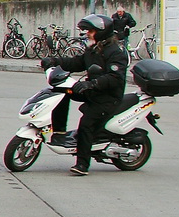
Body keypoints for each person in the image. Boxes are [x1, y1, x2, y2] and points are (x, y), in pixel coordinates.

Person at [41, 13, 128, 176]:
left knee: (86, 124)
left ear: (101, 31)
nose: (86, 33)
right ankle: (59, 132)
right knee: (62, 92)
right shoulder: (94, 48)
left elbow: (116, 78)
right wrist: (55, 61)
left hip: (107, 98)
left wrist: (91, 83)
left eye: (90, 30)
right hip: (93, 91)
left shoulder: (116, 52)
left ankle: (82, 164)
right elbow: (77, 63)